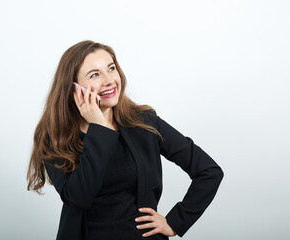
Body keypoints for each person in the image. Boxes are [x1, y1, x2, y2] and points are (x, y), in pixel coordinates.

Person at [26, 40, 224, 240]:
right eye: (94, 74)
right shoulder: (55, 137)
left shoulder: (145, 122)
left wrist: (175, 222)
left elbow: (209, 171)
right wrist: (99, 128)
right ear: (73, 88)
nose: (109, 80)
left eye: (111, 69)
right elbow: (78, 198)